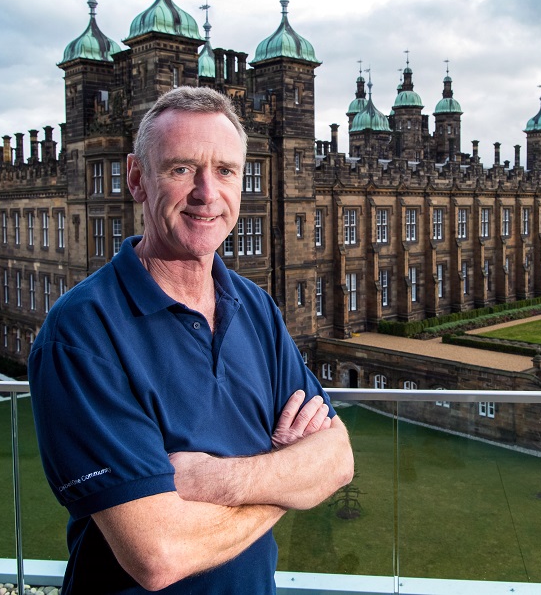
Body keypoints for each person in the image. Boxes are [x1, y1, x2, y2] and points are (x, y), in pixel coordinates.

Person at [28, 86, 354, 594]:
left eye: (225, 171)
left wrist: (212, 481)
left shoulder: (256, 308)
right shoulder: (81, 334)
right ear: (137, 178)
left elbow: (336, 460)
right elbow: (158, 556)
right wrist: (286, 482)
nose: (207, 193)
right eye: (182, 169)